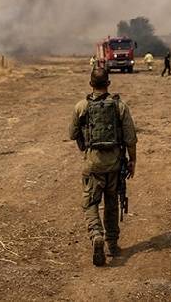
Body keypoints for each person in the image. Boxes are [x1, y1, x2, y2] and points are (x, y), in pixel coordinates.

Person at [69, 67, 137, 266]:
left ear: (91, 84)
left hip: (93, 164)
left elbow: (72, 134)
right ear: (108, 84)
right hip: (115, 164)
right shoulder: (120, 106)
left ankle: (96, 233)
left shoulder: (81, 106)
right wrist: (132, 161)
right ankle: (113, 245)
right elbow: (131, 138)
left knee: (90, 203)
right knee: (111, 204)